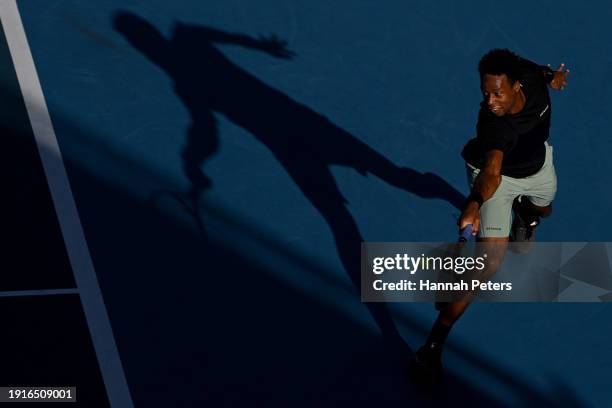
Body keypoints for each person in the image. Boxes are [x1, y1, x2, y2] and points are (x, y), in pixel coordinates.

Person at [413, 48, 570, 382]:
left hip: (538, 167)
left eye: (497, 93)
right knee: (489, 265)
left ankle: (527, 215)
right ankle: (432, 346)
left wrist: (551, 76)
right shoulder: (494, 125)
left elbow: (533, 68)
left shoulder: (527, 75)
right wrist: (473, 203)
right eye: (485, 93)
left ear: (517, 85)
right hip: (494, 180)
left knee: (545, 207)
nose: (490, 101)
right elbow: (493, 172)